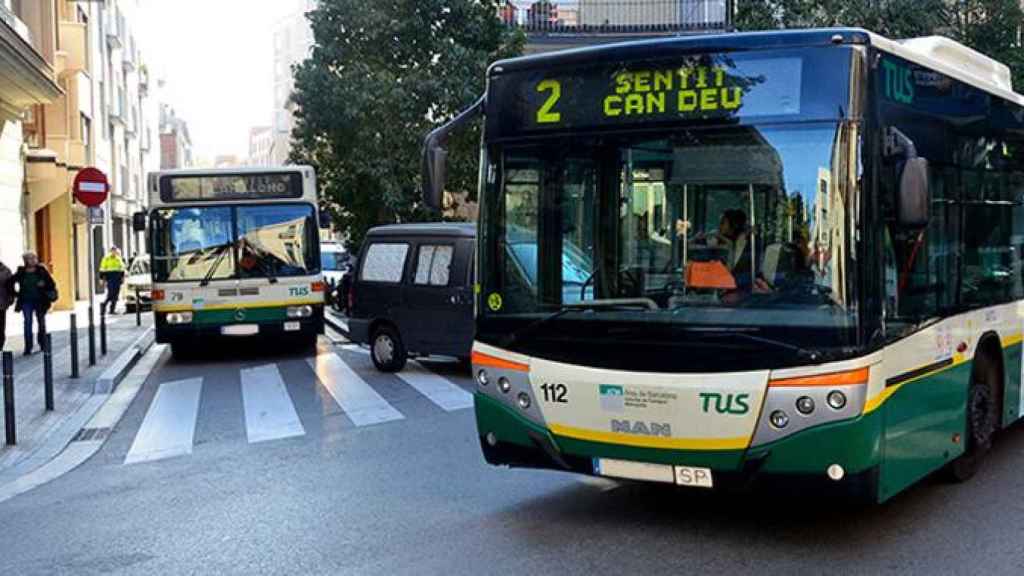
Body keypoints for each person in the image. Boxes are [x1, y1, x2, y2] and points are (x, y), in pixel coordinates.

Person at [10, 252, 56, 356]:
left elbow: (52, 283)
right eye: (29, 258)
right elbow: (10, 282)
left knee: (41, 322)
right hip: (26, 301)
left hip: (40, 301)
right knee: (27, 323)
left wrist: (43, 284)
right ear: (25, 260)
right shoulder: (21, 271)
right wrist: (15, 294)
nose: (33, 260)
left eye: (34, 257)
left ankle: (43, 344)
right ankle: (28, 347)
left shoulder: (41, 270)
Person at [100, 246, 126, 314]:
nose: (114, 252)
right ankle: (104, 305)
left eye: (115, 250)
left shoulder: (118, 258)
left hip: (117, 279)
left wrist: (122, 278)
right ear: (110, 251)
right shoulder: (106, 259)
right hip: (110, 279)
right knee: (110, 294)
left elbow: (122, 269)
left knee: (116, 295)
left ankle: (112, 309)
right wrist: (101, 279)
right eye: (113, 250)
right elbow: (102, 269)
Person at [0, 259, 12, 351]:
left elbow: (10, 287)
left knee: (1, 325)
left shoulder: (6, 271)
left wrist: (10, 298)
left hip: (1, 302)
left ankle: (0, 344)